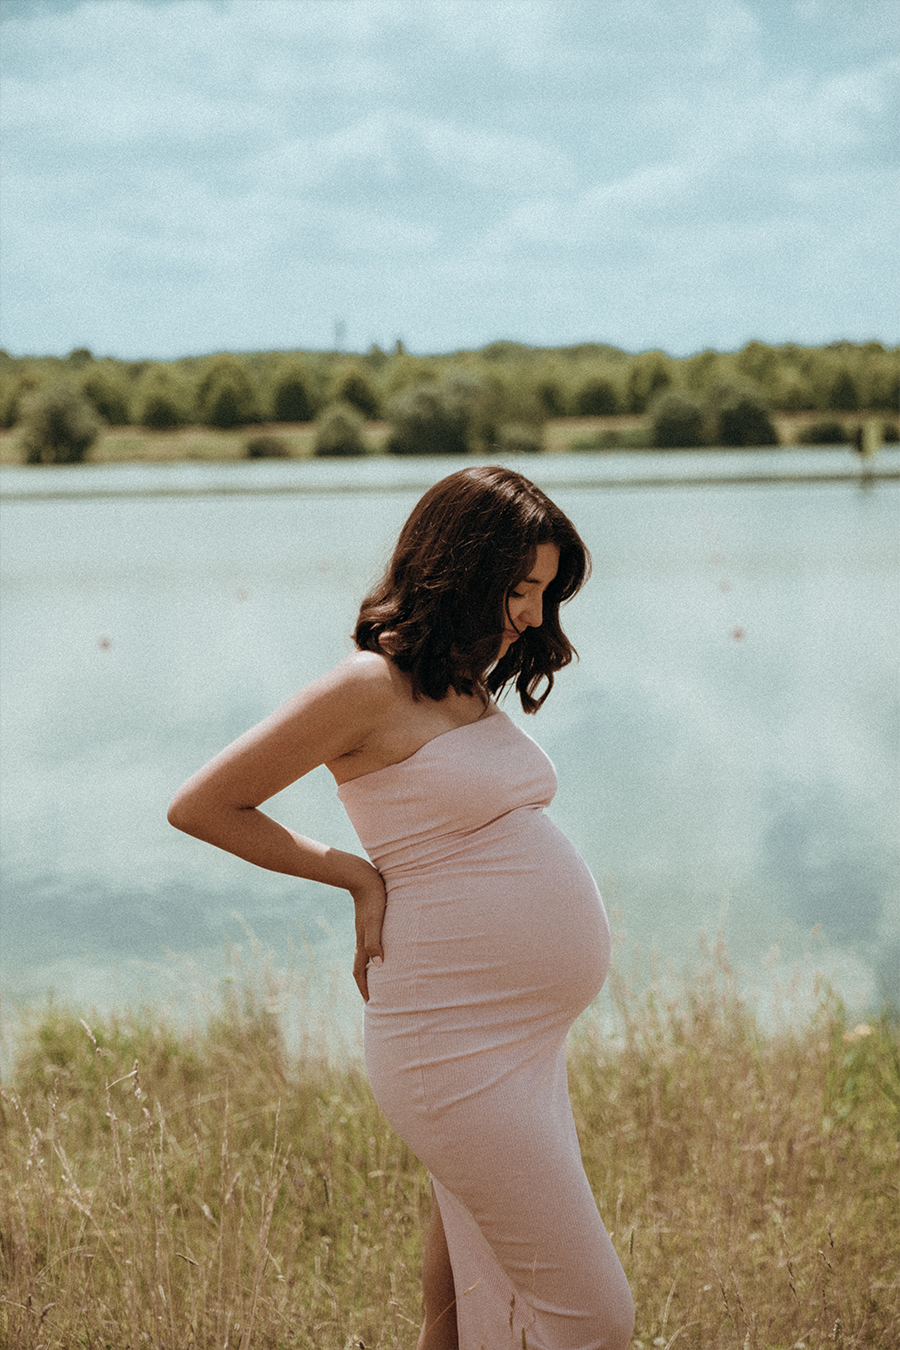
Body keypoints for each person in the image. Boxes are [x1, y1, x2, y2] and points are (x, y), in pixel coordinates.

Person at [168, 465, 635, 1350]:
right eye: (521, 590)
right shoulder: (364, 688)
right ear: (463, 571)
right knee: (597, 1319)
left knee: (459, 1297)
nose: (533, 615)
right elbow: (204, 804)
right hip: (450, 1041)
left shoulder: (464, 683)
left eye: (543, 593)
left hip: (517, 1041)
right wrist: (356, 874)